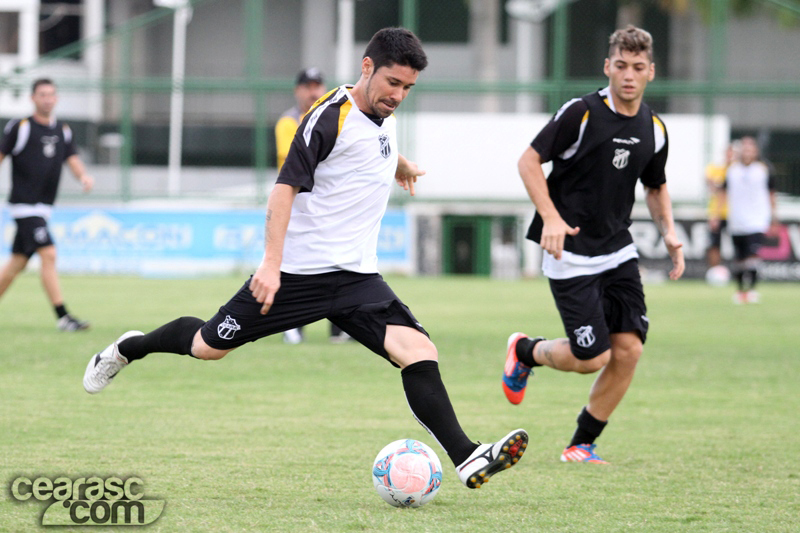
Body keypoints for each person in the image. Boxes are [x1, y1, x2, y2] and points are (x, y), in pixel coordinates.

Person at [84, 28, 528, 489]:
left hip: (356, 277)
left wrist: (401, 164)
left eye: (408, 88)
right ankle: (128, 348)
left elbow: (374, 145)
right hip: (297, 274)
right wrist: (271, 265)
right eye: (393, 83)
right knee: (206, 346)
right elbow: (282, 190)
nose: (398, 96)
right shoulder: (325, 118)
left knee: (419, 351)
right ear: (367, 67)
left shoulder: (383, 113)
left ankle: (468, 457)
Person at [502, 26, 684, 464]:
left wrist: (670, 233)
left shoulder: (654, 129)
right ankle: (526, 351)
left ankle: (582, 444)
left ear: (650, 73)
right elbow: (528, 161)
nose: (628, 75)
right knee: (592, 356)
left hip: (618, 251)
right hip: (571, 254)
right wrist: (550, 216)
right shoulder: (580, 114)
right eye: (621, 66)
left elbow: (655, 186)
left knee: (629, 349)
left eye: (638, 68)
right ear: (608, 66)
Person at [0, 78, 94, 331]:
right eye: (42, 94)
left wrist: (83, 176)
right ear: (33, 98)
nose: (47, 98)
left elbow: (72, 158)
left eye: (51, 94)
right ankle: (64, 317)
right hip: (24, 207)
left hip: (44, 208)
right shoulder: (21, 127)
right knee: (49, 253)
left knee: (16, 264)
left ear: (56, 98)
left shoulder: (62, 130)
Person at [275, 67, 350, 344]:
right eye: (308, 86)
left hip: (327, 204)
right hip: (297, 203)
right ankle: (291, 324)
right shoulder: (288, 122)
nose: (313, 91)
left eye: (318, 86)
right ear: (298, 90)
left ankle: (339, 327)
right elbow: (295, 159)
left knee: (335, 262)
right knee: (296, 264)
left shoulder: (334, 119)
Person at [716, 136, 777, 304]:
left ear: (756, 151)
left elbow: (771, 195)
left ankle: (751, 290)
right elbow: (722, 194)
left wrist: (773, 218)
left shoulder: (763, 170)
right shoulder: (731, 170)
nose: (747, 152)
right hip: (736, 221)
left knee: (753, 256)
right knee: (739, 259)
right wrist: (716, 215)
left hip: (757, 220)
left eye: (751, 149)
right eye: (745, 148)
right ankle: (740, 290)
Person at [705, 142, 738, 269]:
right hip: (717, 212)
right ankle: (715, 270)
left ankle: (739, 271)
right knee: (714, 243)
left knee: (738, 243)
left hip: (735, 213)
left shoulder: (738, 170)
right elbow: (713, 187)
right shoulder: (714, 168)